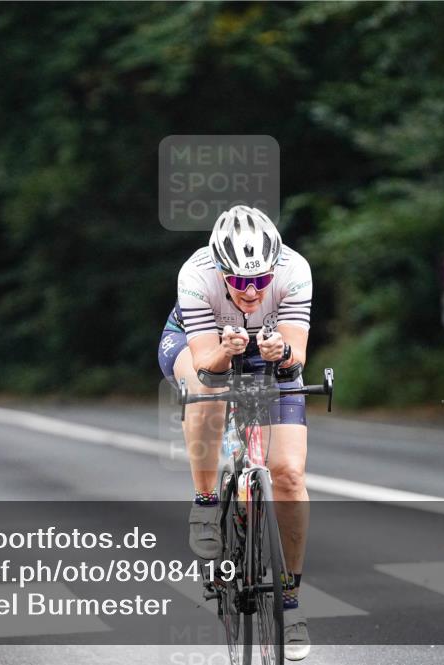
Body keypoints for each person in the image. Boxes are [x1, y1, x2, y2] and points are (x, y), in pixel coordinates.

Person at [158, 205, 313, 660]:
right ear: (220, 268)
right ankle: (206, 502)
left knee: (287, 475)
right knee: (207, 390)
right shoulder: (197, 274)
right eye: (239, 281)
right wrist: (225, 353)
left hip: (267, 351)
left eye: (260, 281)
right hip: (198, 345)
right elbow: (207, 365)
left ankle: (290, 604)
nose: (250, 291)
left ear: (274, 268)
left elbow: (296, 357)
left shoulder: (295, 270)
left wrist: (281, 351)